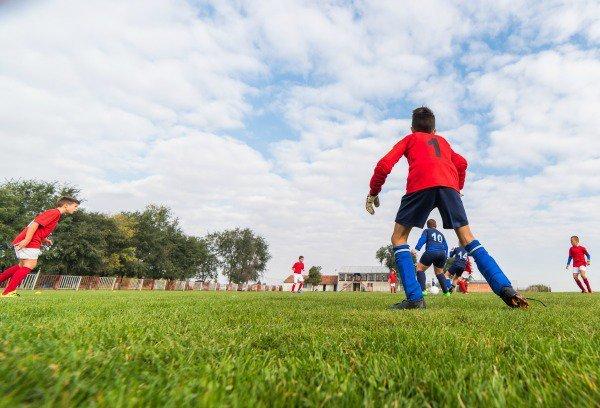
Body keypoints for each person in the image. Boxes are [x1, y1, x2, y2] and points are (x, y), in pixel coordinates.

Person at [366, 106, 528, 309]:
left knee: (399, 238)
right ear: (434, 130)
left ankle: (415, 299)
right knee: (467, 238)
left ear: (412, 128)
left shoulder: (410, 139)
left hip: (419, 186)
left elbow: (383, 165)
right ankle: (506, 289)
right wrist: (457, 189)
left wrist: (374, 191)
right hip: (449, 188)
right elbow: (461, 163)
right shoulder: (442, 142)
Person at [0, 196, 80, 297]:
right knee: (30, 264)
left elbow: (39, 228)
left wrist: (44, 239)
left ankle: (8, 290)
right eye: (75, 206)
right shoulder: (54, 213)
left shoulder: (55, 214)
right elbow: (34, 224)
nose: (76, 209)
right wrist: (27, 240)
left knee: (21, 266)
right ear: (66, 205)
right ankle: (8, 292)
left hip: (29, 240)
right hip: (30, 241)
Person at [413, 219, 449, 296]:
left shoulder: (427, 231)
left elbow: (422, 239)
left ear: (427, 225)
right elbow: (446, 246)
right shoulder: (441, 234)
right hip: (442, 254)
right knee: (439, 272)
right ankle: (446, 293)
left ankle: (423, 291)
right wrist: (446, 256)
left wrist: (416, 249)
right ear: (435, 225)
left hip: (431, 252)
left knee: (420, 268)